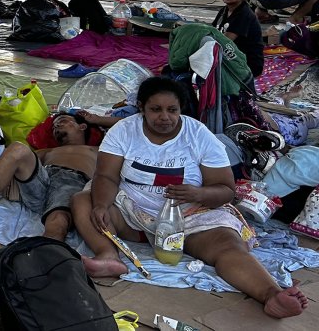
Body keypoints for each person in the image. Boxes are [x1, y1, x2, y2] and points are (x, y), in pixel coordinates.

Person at [72, 77, 307, 319]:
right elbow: (106, 176)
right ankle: (108, 255)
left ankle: (271, 294)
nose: (164, 117)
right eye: (155, 109)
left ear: (180, 109)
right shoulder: (123, 130)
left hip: (190, 216)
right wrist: (102, 205)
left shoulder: (198, 134)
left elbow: (226, 190)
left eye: (172, 110)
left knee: (227, 246)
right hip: (133, 212)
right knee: (83, 201)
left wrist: (198, 193)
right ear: (141, 107)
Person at [0, 112, 98, 240]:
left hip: (71, 180)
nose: (56, 126)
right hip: (43, 180)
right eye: (54, 126)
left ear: (82, 126)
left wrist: (97, 119)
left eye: (62, 121)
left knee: (57, 222)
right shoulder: (49, 151)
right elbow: (14, 162)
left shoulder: (97, 150)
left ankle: (45, 254)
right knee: (17, 148)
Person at [214, 0, 264, 76]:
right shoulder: (224, 10)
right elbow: (212, 31)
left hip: (247, 65)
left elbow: (224, 41)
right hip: (230, 57)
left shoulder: (244, 14)